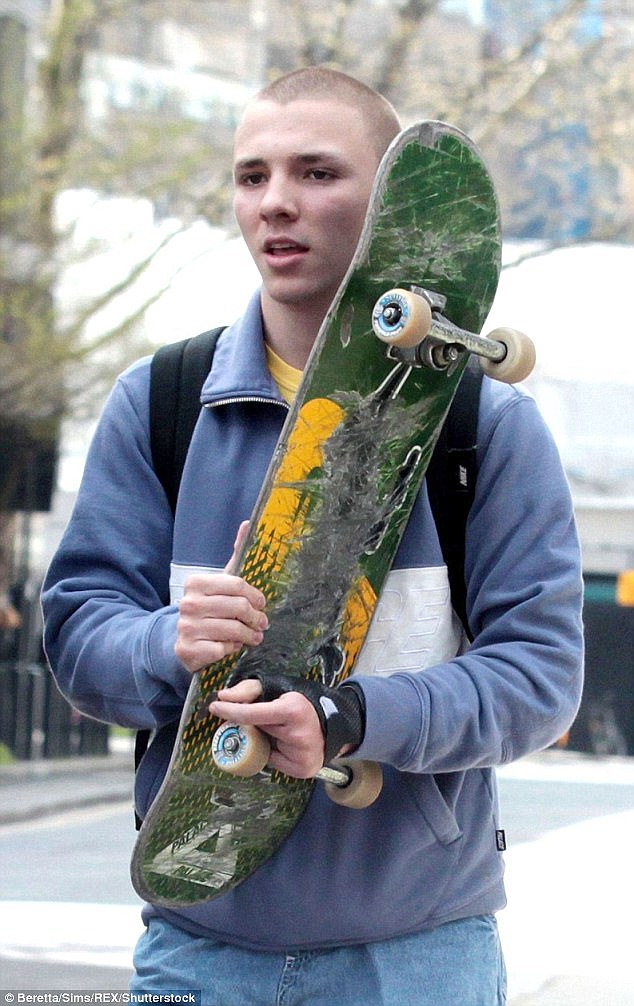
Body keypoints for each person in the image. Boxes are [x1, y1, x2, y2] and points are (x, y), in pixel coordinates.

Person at [41, 67, 584, 1005]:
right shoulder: (162, 405)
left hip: (418, 954)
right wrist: (166, 641)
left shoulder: (484, 427)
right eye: (252, 177)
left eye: (317, 173)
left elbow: (539, 678)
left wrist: (349, 718)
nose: (277, 203)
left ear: (389, 205)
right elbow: (78, 637)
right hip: (197, 946)